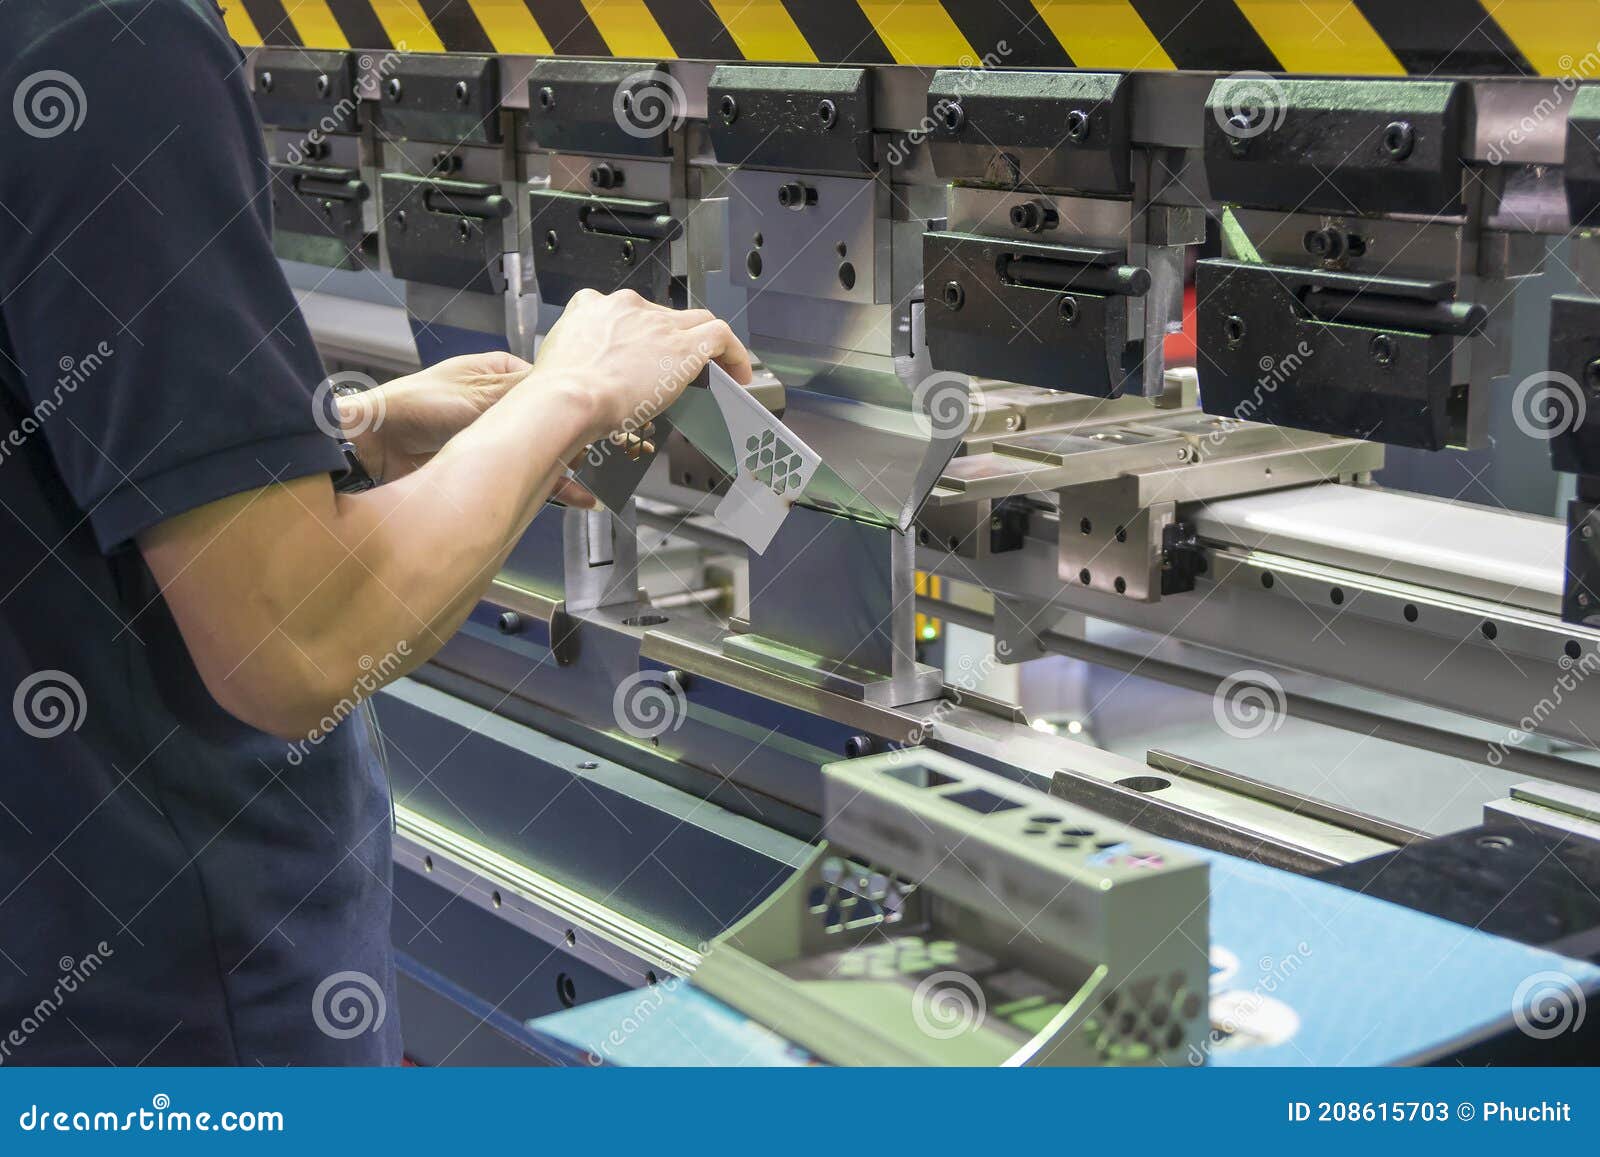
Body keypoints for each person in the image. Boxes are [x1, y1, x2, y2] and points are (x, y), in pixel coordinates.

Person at [0, 0, 750, 1064]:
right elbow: (296, 635)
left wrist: (333, 439)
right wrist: (577, 390)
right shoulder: (108, 35)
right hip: (167, 1017)